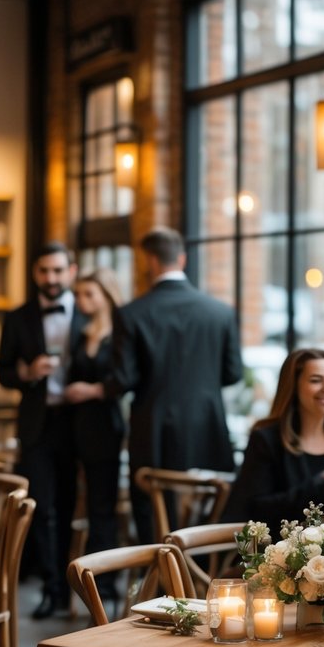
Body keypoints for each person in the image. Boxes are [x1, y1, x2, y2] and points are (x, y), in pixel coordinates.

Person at [112, 227, 243, 544]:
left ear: (151, 261)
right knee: (209, 518)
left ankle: (157, 585)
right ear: (182, 259)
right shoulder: (221, 312)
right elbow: (233, 373)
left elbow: (123, 379)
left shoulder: (131, 314)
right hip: (207, 429)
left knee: (152, 516)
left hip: (153, 431)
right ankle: (206, 584)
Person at [0, 242, 85, 618]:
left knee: (69, 507)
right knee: (43, 508)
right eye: (44, 271)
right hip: (37, 423)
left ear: (72, 271)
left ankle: (72, 588)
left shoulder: (89, 312)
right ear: (35, 274)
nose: (51, 278)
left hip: (79, 423)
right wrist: (26, 373)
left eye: (57, 271)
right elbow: (2, 370)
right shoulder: (17, 317)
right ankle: (51, 589)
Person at [222, 348, 324, 531]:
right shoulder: (266, 439)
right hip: (275, 555)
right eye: (316, 380)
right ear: (293, 387)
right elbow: (256, 510)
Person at [64, 269, 126, 598]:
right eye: (77, 295)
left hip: (105, 424)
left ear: (106, 294)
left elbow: (123, 380)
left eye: (88, 294)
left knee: (103, 504)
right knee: (80, 504)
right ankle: (84, 576)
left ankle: (106, 581)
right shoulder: (81, 331)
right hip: (77, 425)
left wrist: (91, 391)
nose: (80, 300)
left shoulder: (119, 332)